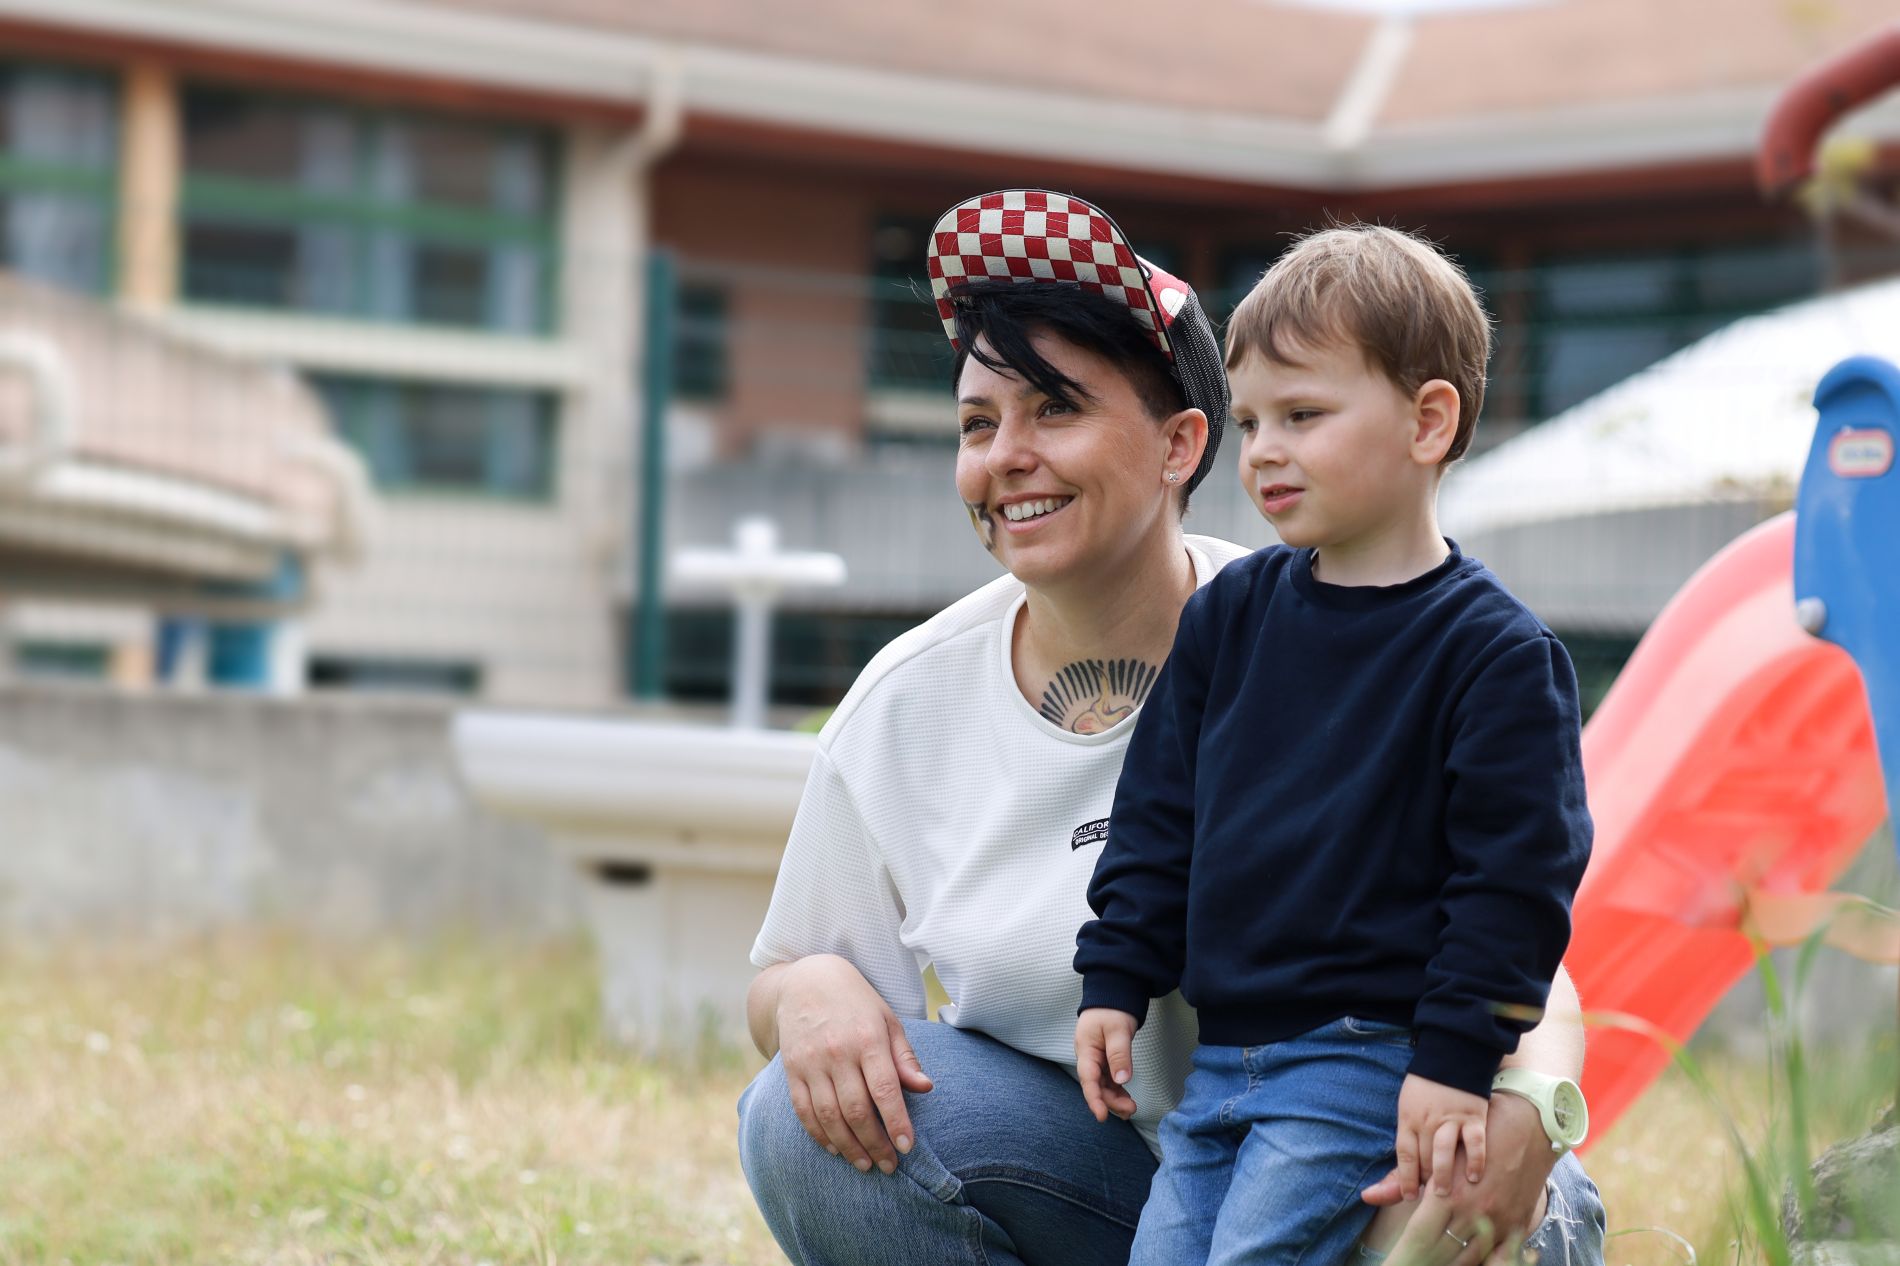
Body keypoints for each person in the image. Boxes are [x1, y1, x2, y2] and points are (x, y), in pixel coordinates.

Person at [737, 189, 1606, 1266]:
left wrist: (1530, 1100)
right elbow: (781, 980)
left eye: (1054, 408)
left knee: (1503, 1203)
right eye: (976, 422)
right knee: (790, 1115)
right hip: (1129, 1161)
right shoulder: (905, 703)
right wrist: (811, 990)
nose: (1005, 454)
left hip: (1370, 1119)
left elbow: (1515, 906)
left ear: (1177, 444)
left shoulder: (1346, 633)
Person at [1073, 224, 1594, 1266]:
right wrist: (1115, 975)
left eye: (1303, 416)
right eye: (1251, 419)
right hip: (1219, 1060)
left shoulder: (1493, 655)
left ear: (1427, 422)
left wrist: (1454, 1064)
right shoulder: (1229, 615)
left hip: (1365, 1062)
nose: (1263, 449)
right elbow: (1157, 812)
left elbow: (1515, 886)